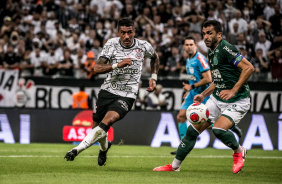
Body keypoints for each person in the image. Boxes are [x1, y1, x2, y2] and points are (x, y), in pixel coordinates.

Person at [153, 20, 254, 174]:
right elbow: (217, 79)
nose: (206, 37)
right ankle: (174, 166)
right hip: (217, 99)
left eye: (210, 33)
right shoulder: (211, 51)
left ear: (219, 35)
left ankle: (239, 151)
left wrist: (233, 90)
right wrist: (203, 94)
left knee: (218, 130)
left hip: (238, 99)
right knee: (192, 131)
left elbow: (249, 67)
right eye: (204, 33)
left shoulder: (226, 48)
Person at [64, 18, 160, 166]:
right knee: (97, 128)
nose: (127, 36)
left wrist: (153, 77)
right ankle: (104, 149)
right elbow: (96, 68)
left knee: (107, 121)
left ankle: (76, 150)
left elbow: (155, 58)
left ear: (134, 31)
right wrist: (117, 65)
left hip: (127, 95)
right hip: (107, 91)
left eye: (130, 32)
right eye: (123, 33)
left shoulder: (143, 46)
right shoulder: (111, 44)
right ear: (118, 32)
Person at [170, 36, 212, 155]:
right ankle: (183, 146)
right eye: (187, 45)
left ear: (195, 45)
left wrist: (191, 87)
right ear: (184, 47)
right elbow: (194, 78)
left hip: (203, 94)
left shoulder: (200, 58)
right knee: (181, 116)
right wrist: (189, 89)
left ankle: (228, 126)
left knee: (205, 123)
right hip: (192, 93)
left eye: (191, 45)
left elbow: (208, 79)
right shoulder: (188, 59)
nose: (189, 47)